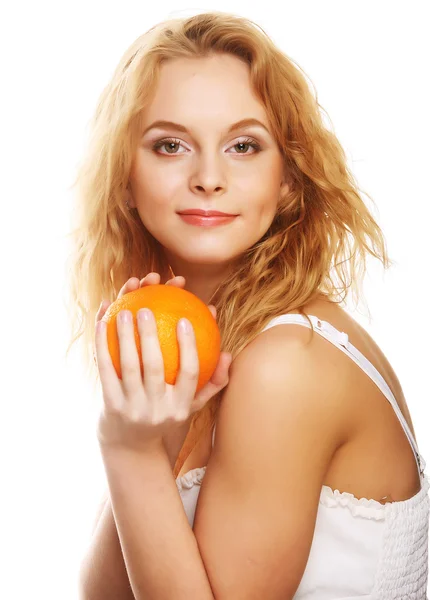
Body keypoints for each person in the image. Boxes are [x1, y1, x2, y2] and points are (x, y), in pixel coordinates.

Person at [66, 10, 429, 599]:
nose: (208, 177)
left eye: (242, 145)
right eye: (170, 145)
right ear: (126, 180)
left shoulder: (286, 360)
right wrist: (150, 440)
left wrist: (127, 449)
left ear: (287, 179)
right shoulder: (212, 342)